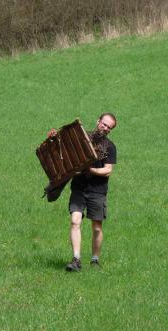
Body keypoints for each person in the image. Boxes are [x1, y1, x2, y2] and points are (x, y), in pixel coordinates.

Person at [48, 113, 117, 271]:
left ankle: (94, 260)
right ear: (98, 121)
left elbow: (107, 171)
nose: (104, 127)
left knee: (97, 228)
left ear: (110, 130)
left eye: (108, 127)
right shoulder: (82, 137)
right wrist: (54, 137)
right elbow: (63, 147)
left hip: (97, 191)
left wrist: (89, 169)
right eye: (103, 124)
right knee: (75, 221)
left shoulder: (110, 146)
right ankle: (76, 259)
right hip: (79, 187)